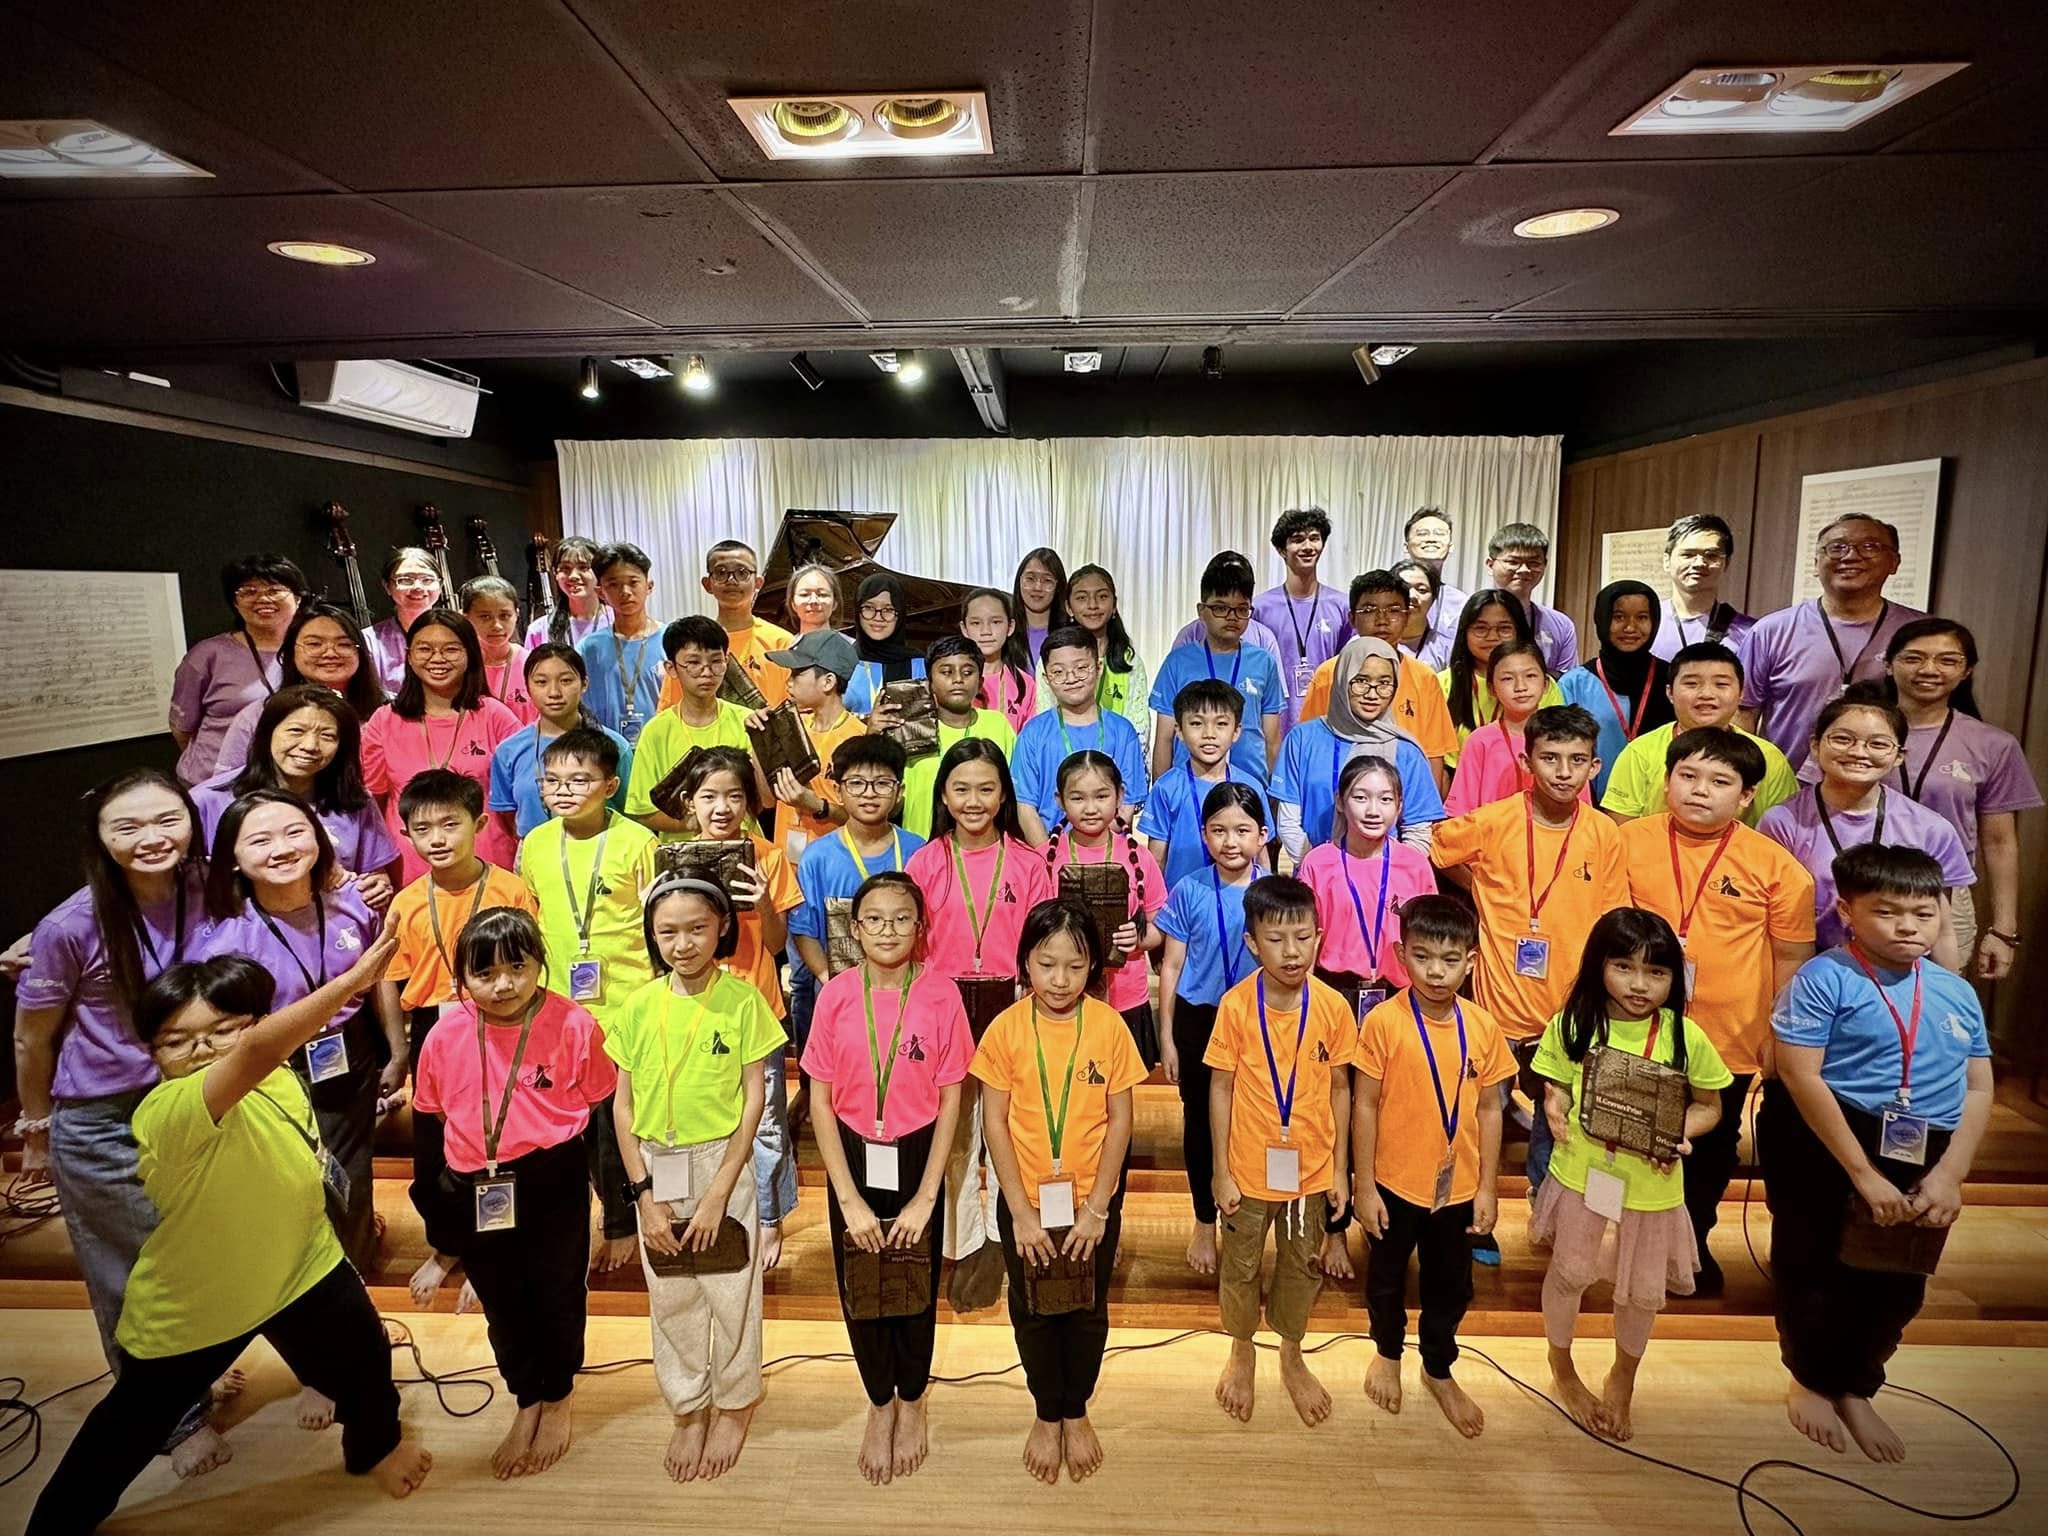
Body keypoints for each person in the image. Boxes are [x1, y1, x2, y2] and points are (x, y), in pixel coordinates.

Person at [23, 935, 433, 1536]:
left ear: (255, 1022)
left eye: (222, 1031)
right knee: (129, 1425)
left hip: (303, 1264)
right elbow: (254, 1054)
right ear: (152, 1054)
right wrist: (352, 983)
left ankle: (376, 1448)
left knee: (366, 1360)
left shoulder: (279, 1079)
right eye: (176, 1041)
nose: (201, 1051)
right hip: (201, 1302)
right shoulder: (169, 1110)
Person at [13, 770, 231, 1481]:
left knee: (203, 1254)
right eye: (127, 827)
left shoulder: (210, 887)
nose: (151, 838)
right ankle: (177, 1419)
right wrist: (37, 1131)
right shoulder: (70, 926)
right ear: (100, 839)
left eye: (166, 820)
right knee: (136, 1276)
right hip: (106, 1120)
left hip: (196, 1101)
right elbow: (32, 1039)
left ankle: (197, 1374)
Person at [1764, 845, 1993, 1464]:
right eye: (1888, 912)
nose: (1907, 927)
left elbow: (1979, 1087)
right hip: (1832, 1135)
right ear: (1847, 910)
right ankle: (1811, 1379)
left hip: (1926, 1143)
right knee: (1815, 1265)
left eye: (1923, 913)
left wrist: (1951, 1174)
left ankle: (1858, 1383)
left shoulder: (1955, 992)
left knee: (1899, 1280)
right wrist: (1862, 1174)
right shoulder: (1824, 978)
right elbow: (1801, 1075)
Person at [411, 907, 614, 1479]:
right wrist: (443, 1239)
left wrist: (618, 1213)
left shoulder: (574, 1024)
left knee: (558, 1294)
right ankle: (526, 1397)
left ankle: (560, 1395)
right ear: (462, 977)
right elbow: (432, 1124)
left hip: (553, 1179)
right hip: (476, 1186)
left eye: (517, 968)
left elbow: (603, 1118)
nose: (503, 985)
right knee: (501, 1302)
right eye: (485, 974)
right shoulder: (444, 1034)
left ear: (539, 965)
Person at [1617, 728, 1816, 1294]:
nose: (1700, 790)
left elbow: (1792, 958)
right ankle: (1637, 1247)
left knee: (1710, 1146)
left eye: (1720, 781)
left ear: (1747, 796)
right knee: (1631, 1136)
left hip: (1730, 1036)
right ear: (1667, 781)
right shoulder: (1625, 842)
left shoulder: (1777, 868)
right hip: (1637, 1029)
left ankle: (1692, 1243)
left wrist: (1781, 1034)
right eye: (1687, 776)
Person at [1431, 704, 1627, 1253]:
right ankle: (1474, 1218)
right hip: (1495, 1010)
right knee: (1478, 1118)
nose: (1563, 772)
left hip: (1568, 1013)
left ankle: (1548, 1216)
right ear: (1526, 761)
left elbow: (1612, 921)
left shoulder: (1604, 835)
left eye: (1577, 760)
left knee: (1555, 1124)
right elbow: (1437, 846)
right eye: (1550, 758)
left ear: (1594, 766)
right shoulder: (1494, 821)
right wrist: (1476, 886)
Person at [1531, 908, 1732, 1442]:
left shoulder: (1685, 1036)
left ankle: (1624, 1376)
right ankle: (1561, 1365)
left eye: (1656, 972)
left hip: (1651, 1182)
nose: (1639, 985)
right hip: (1582, 1172)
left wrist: (1680, 1132)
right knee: (1569, 1272)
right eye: (1624, 967)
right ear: (1598, 965)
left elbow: (1710, 1106)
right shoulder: (1573, 1023)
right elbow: (1557, 1084)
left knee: (1642, 1290)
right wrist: (1555, 1104)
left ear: (1674, 978)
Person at [609, 875, 784, 1483]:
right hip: (656, 1165)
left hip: (720, 1163)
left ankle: (735, 1403)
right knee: (673, 1294)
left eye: (697, 929)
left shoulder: (743, 1002)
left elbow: (755, 1101)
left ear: (722, 929)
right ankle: (688, 1406)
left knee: (731, 1291)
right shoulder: (637, 1006)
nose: (682, 944)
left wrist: (719, 1195)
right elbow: (622, 1108)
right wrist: (643, 1196)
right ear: (652, 937)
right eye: (668, 933)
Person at [802, 872, 970, 1485]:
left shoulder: (942, 994)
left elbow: (952, 1100)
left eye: (902, 918)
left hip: (917, 1151)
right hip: (852, 1152)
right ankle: (879, 1401)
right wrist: (846, 1197)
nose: (888, 930)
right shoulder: (836, 995)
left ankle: (914, 1397)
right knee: (862, 1285)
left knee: (915, 1284)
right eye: (874, 919)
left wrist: (928, 1195)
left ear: (921, 927)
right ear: (855, 927)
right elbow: (820, 1100)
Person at [973, 899, 1146, 1485]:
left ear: (1093, 965)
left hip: (1091, 1203)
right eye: (1046, 964)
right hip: (1025, 1200)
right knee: (1033, 1311)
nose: (1060, 980)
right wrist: (1020, 1213)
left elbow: (1121, 1121)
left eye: (1075, 966)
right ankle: (1047, 1410)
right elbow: (995, 1123)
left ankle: (1077, 1408)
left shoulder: (1109, 1026)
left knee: (1087, 1309)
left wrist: (1098, 1208)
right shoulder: (1005, 1029)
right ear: (1025, 961)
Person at [198, 793, 407, 1278]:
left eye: (295, 832)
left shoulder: (355, 903)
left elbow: (380, 980)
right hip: (270, 1068)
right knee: (287, 1173)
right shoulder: (225, 935)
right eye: (260, 840)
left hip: (349, 1052)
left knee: (351, 1166)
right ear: (232, 856)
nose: (282, 848)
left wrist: (398, 1051)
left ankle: (355, 1272)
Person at [1355, 894, 1514, 1437]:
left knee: (1451, 1285)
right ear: (1402, 955)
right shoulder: (1382, 1022)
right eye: (1422, 957)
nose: (1436, 972)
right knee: (1386, 1278)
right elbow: (1364, 1105)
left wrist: (1488, 1187)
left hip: (1458, 1188)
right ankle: (1387, 1351)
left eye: (1450, 960)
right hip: (1393, 1184)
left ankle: (1438, 1366)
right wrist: (1364, 1186)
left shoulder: (1483, 1027)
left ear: (1471, 961)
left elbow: (1490, 1109)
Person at [904, 739, 1055, 1309]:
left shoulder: (1028, 863)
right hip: (943, 1005)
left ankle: (1006, 1234)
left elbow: (1041, 944)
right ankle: (964, 1244)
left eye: (986, 789)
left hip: (1009, 1002)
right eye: (961, 789)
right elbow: (913, 945)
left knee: (1010, 1126)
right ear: (943, 795)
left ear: (1004, 796)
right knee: (957, 1129)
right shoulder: (925, 862)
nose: (974, 801)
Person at [385, 770, 542, 1306]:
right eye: (422, 828)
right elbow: (391, 980)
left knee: (500, 1140)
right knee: (436, 1154)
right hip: (437, 1029)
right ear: (405, 833)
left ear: (479, 824)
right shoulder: (407, 902)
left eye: (450, 824)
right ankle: (449, 1245)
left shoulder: (509, 890)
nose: (437, 839)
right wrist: (398, 1051)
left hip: (503, 1021)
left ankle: (492, 1251)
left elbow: (528, 965)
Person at [1205, 876, 1353, 1427]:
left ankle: (1291, 1351)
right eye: (1275, 939)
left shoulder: (1333, 1008)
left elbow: (1341, 1089)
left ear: (1319, 936)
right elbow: (1220, 1089)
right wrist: (1220, 1172)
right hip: (1246, 1171)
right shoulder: (1235, 1006)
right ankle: (1241, 1347)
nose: (1291, 952)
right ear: (1251, 943)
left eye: (1303, 937)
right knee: (1240, 1267)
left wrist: (1340, 1170)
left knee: (1301, 1266)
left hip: (1309, 1175)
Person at [520, 729, 658, 1277]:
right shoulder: (535, 844)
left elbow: (655, 923)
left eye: (579, 780)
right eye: (552, 781)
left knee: (616, 1123)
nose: (564, 790)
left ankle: (622, 1221)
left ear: (610, 785)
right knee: (566, 1120)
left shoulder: (638, 841)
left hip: (627, 1001)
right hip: (558, 1007)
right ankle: (574, 1219)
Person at [670, 747, 804, 1269]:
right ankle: (705, 1204)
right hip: (691, 1009)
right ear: (690, 802)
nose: (722, 807)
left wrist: (764, 900)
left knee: (767, 1121)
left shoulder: (767, 856)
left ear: (750, 802)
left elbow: (776, 944)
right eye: (709, 796)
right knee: (698, 1114)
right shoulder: (674, 859)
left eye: (734, 796)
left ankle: (769, 1217)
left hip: (756, 1008)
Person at [1760, 691, 1973, 969]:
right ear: (1815, 745)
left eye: (1878, 744)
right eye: (1842, 739)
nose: (1859, 752)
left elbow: (1941, 929)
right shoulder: (1781, 823)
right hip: (1808, 969)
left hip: (1901, 973)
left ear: (1899, 756)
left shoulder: (1932, 829)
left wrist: (1948, 988)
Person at [1875, 619, 2039, 975]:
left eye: (1947, 660)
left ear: (1967, 671)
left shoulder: (1993, 744)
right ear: (1888, 664)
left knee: (1935, 1000)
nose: (1929, 669)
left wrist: (2004, 930)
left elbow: (1999, 842)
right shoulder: (1855, 731)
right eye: (1914, 658)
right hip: (1860, 883)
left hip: (1945, 892)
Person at [1156, 782, 1268, 1276]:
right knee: (1201, 1122)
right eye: (1219, 831)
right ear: (1203, 835)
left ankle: (1247, 1216)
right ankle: (1204, 1219)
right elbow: (1171, 966)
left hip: (1258, 1021)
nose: (1230, 841)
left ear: (1262, 835)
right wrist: (1167, 1036)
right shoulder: (1190, 888)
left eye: (1242, 830)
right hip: (1199, 1018)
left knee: (1254, 1118)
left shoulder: (1272, 894)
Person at [190, 684, 402, 912]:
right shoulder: (209, 800)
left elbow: (374, 871)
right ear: (268, 732)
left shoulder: (353, 800)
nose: (310, 746)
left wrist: (377, 885)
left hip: (334, 928)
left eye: (327, 736)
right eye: (296, 731)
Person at [1740, 516, 1924, 770]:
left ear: (1894, 562)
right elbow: (1744, 713)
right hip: (1788, 784)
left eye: (1869, 546)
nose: (1851, 556)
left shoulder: (1921, 634)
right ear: (1816, 564)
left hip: (1889, 783)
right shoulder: (1770, 631)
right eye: (1837, 547)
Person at [359, 608, 522, 880]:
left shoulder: (495, 716)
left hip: (490, 866)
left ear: (470, 654)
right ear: (409, 656)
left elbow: (520, 797)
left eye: (451, 649)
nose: (437, 658)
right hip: (412, 872)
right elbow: (372, 805)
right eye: (425, 649)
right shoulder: (384, 720)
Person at [789, 737, 926, 1050]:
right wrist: (827, 979)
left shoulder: (918, 851)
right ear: (838, 791)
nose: (869, 793)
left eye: (882, 783)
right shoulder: (818, 857)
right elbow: (804, 930)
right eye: (856, 783)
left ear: (900, 792)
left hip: (908, 993)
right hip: (841, 996)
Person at [1040, 751, 1166, 1063]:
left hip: (1126, 997)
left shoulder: (1140, 858)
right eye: (1078, 798)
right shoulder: (1044, 859)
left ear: (1120, 796)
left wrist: (1138, 939)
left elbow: (1160, 929)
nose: (1091, 808)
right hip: (1060, 996)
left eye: (1101, 796)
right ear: (1059, 800)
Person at [1271, 636, 1445, 858]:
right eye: (1361, 681)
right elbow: (1288, 823)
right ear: (1343, 678)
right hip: (1313, 869)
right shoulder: (1302, 739)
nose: (1372, 694)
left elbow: (1417, 833)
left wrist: (1386, 872)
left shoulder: (1407, 751)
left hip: (1386, 874)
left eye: (1384, 684)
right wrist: (1322, 867)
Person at [1297, 754, 1439, 1013]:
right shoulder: (1317, 863)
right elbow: (1305, 938)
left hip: (1401, 997)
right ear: (1340, 801)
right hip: (1333, 993)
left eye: (1385, 799)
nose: (1373, 811)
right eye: (1361, 798)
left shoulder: (1415, 865)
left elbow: (1431, 940)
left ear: (1399, 806)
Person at [1600, 642, 1799, 827]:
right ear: (1670, 693)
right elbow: (1622, 830)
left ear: (1741, 693)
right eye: (1692, 684)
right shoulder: (1640, 752)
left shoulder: (1769, 757)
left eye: (1721, 684)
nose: (1706, 694)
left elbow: (1781, 829)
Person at [1299, 571, 1458, 787]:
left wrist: (1425, 804)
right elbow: (1310, 745)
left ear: (1407, 616)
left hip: (1404, 795)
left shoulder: (1425, 678)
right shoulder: (1328, 674)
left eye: (1393, 610)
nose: (1382, 620)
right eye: (1369, 610)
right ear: (1352, 619)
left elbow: (1433, 755)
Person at [169, 553, 307, 784]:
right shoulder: (207, 655)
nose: (263, 599)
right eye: (248, 592)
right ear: (235, 602)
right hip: (213, 783)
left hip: (285, 783)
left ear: (298, 598)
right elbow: (181, 729)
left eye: (275, 590)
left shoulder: (312, 650)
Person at [624, 616, 762, 841]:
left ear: (727, 662)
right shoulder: (657, 731)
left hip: (743, 845)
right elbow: (641, 810)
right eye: (693, 663)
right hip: (683, 853)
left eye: (715, 661)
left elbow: (764, 799)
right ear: (671, 668)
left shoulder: (747, 722)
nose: (706, 672)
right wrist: (693, 823)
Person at [214, 600, 388, 776]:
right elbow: (226, 784)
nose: (330, 653)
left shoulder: (390, 711)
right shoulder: (258, 715)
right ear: (291, 652)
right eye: (314, 644)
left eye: (344, 644)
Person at [1154, 554, 1285, 782]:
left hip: (1250, 786)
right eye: (1220, 608)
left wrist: (1275, 794)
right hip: (1189, 786)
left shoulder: (1264, 662)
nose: (1232, 617)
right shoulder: (1177, 662)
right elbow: (1164, 739)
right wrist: (1160, 791)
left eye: (1241, 609)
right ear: (1201, 610)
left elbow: (1272, 739)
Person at [1013, 626, 1149, 843]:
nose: (1071, 678)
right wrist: (1049, 855)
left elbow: (1127, 803)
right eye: (1059, 672)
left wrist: (1093, 851)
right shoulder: (1032, 734)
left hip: (1108, 853)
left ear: (1098, 668)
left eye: (1081, 668)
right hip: (1048, 851)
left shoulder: (1123, 732)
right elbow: (1025, 806)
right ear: (1046, 678)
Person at [487, 643, 634, 842]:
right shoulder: (509, 751)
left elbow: (630, 812)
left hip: (603, 850)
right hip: (537, 853)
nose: (554, 692)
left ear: (584, 684)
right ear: (527, 687)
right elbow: (507, 818)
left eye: (565, 681)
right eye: (541, 682)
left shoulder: (615, 745)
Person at [880, 635, 1017, 840]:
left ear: (980, 682)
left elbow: (1012, 792)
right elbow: (889, 800)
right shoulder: (909, 728)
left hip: (983, 845)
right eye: (946, 672)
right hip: (921, 845)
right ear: (929, 684)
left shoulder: (997, 724)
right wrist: (874, 736)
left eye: (968, 672)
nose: (958, 679)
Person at [757, 628, 867, 866]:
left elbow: (865, 819)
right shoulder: (790, 727)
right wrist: (758, 738)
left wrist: (817, 806)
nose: (788, 682)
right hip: (786, 863)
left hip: (835, 866)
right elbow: (767, 800)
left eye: (797, 673)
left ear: (828, 681)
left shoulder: (859, 739)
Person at [1560, 581, 1675, 801]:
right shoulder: (1574, 684)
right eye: (1619, 617)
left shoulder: (1672, 679)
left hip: (1661, 803)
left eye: (1642, 617)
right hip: (1591, 804)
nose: (1630, 627)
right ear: (1602, 620)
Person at [1138, 680, 1247, 893]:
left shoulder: (1249, 787)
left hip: (1238, 902)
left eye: (1221, 724)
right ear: (1179, 730)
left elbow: (1260, 856)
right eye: (1197, 723)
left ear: (1236, 731)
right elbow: (1156, 859)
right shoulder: (1166, 788)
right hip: (1178, 902)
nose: (1209, 734)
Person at [1439, 589, 1565, 763]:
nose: (1492, 637)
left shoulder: (1542, 684)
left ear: (1519, 632)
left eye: (1504, 629)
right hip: (1459, 776)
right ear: (1464, 632)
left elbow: (1556, 746)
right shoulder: (1442, 683)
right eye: (1481, 628)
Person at [1443, 642, 1568, 816]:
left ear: (1546, 684)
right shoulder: (1480, 741)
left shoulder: (1565, 740)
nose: (1520, 687)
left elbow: (1582, 810)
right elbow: (1460, 813)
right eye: (1508, 679)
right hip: (1491, 831)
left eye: (1530, 676)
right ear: (1492, 688)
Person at [1253, 507, 1349, 733]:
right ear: (1281, 550)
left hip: (1329, 723)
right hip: (1276, 725)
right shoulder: (1260, 608)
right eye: (1297, 540)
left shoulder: (1342, 606)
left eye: (1314, 538)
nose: (1307, 546)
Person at [580, 542, 665, 745]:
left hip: (661, 748)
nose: (625, 591)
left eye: (633, 582)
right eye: (613, 584)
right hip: (604, 750)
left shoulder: (671, 640)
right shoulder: (588, 649)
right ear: (601, 592)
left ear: (649, 586)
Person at [700, 538, 794, 707]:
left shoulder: (781, 642)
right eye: (721, 572)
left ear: (758, 583)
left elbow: (798, 706)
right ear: (707, 584)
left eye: (742, 572)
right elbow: (673, 710)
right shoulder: (695, 643)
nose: (731, 580)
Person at [1064, 564, 1151, 740]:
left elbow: (1139, 729)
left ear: (1114, 605)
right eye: (1082, 598)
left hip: (1118, 754)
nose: (1092, 605)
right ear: (1069, 607)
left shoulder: (1130, 661)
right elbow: (1047, 721)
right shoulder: (1053, 660)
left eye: (1102, 596)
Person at [1651, 514, 1754, 661]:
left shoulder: (1750, 633)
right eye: (1688, 555)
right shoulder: (1645, 623)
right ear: (1666, 561)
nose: (1699, 563)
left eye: (1711, 555)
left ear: (1726, 563)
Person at [1482, 522, 1577, 676]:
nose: (1524, 570)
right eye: (1513, 562)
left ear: (1544, 565)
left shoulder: (1561, 625)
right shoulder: (1468, 618)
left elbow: (1566, 682)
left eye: (1534, 563)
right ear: (1490, 565)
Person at [362, 547, 445, 696]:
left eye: (427, 580)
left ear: (440, 586)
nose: (418, 587)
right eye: (406, 580)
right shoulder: (368, 640)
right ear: (387, 586)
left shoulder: (461, 634)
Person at [846, 573, 928, 717]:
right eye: (869, 608)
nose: (878, 617)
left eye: (888, 609)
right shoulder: (844, 662)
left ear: (900, 615)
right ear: (858, 611)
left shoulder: (921, 664)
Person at [460, 575, 535, 725]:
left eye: (504, 616)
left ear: (516, 615)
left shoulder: (532, 664)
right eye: (485, 617)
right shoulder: (459, 666)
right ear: (466, 618)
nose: (497, 626)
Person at [963, 587, 1038, 734]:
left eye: (996, 622)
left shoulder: (1025, 684)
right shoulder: (952, 680)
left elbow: (1030, 738)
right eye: (976, 623)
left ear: (1010, 627)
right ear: (964, 629)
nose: (986, 631)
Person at [525, 536, 611, 650]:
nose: (573, 576)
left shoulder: (618, 621)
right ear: (555, 573)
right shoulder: (539, 630)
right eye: (565, 568)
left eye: (583, 567)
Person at [1402, 507, 1467, 656]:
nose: (1431, 539)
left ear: (1451, 546)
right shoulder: (1388, 595)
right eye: (1422, 533)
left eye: (1439, 533)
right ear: (1406, 546)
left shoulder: (1462, 602)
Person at [1011, 547, 1072, 663]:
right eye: (1030, 579)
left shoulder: (1071, 633)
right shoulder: (1005, 630)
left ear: (1058, 587)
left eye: (1047, 580)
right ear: (1019, 581)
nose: (1037, 587)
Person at [1393, 557, 1454, 670]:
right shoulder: (1368, 642)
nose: (1412, 596)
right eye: (1404, 588)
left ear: (1434, 599)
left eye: (1422, 590)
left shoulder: (1448, 649)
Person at [786, 560, 842, 637]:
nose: (813, 601)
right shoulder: (786, 644)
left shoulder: (850, 644)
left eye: (822, 594)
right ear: (793, 604)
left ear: (835, 603)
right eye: (804, 595)